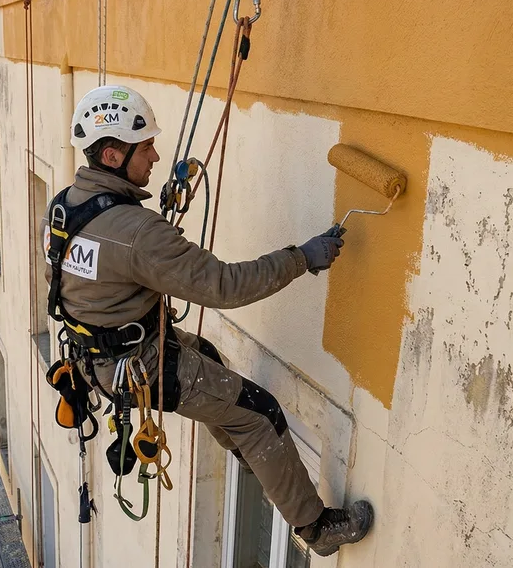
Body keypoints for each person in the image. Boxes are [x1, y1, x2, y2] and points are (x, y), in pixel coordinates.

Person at [44, 85, 374, 557]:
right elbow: (225, 286)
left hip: (96, 356)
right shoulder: (138, 233)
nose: (156, 155)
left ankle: (259, 461)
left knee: (210, 358)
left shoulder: (65, 206)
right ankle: (318, 528)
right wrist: (302, 257)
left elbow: (89, 275)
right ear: (113, 154)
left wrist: (144, 269)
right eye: (146, 148)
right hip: (139, 364)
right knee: (261, 414)